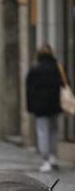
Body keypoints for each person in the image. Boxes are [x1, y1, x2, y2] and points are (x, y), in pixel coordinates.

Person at [26, 44, 63, 172]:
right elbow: (64, 84)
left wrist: (30, 107)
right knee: (53, 131)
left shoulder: (35, 69)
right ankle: (53, 157)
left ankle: (46, 160)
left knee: (43, 133)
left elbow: (29, 90)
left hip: (40, 108)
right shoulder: (57, 68)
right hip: (54, 106)